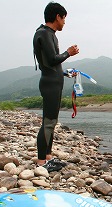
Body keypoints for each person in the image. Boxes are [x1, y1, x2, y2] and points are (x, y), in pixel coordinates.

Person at [33, 2, 79, 171]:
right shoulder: (44, 34)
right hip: (50, 84)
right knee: (48, 122)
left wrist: (65, 73)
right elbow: (52, 60)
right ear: (57, 17)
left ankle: (48, 157)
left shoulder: (49, 34)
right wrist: (68, 52)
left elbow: (50, 64)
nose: (65, 22)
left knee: (52, 122)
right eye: (64, 18)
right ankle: (41, 162)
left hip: (53, 81)